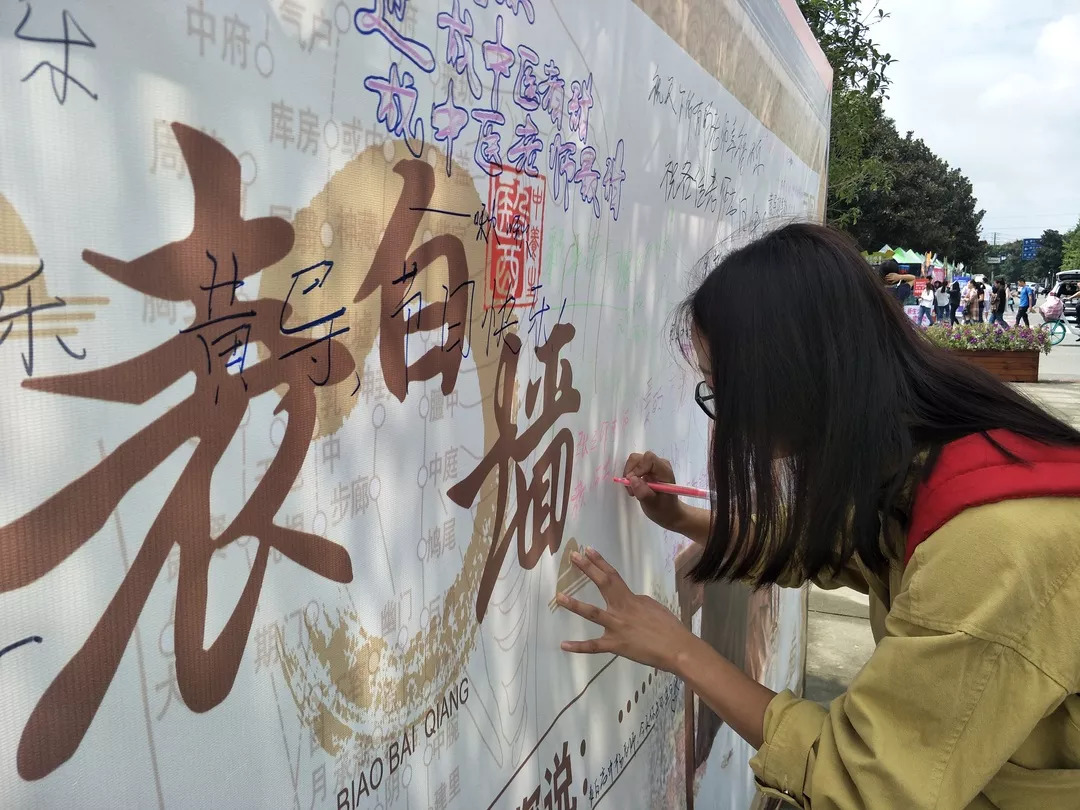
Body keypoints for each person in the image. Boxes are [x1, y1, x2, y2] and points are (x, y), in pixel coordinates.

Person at [556, 224, 1080, 808]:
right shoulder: (938, 449)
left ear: (790, 378)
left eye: (722, 391)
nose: (723, 418)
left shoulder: (993, 548)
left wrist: (680, 650)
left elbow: (862, 785)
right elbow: (829, 543)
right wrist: (682, 517)